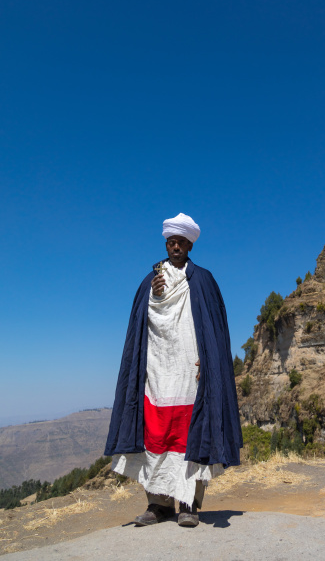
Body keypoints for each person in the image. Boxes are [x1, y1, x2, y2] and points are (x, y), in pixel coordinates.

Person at [105, 213, 242, 527]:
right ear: (166, 243)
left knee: (190, 436)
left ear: (190, 245)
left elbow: (215, 330)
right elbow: (140, 330)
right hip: (157, 373)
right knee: (156, 435)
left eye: (181, 242)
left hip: (192, 374)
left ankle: (190, 505)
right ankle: (159, 505)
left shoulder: (204, 281)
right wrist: (154, 295)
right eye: (171, 241)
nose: (175, 246)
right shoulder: (150, 281)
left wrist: (208, 363)